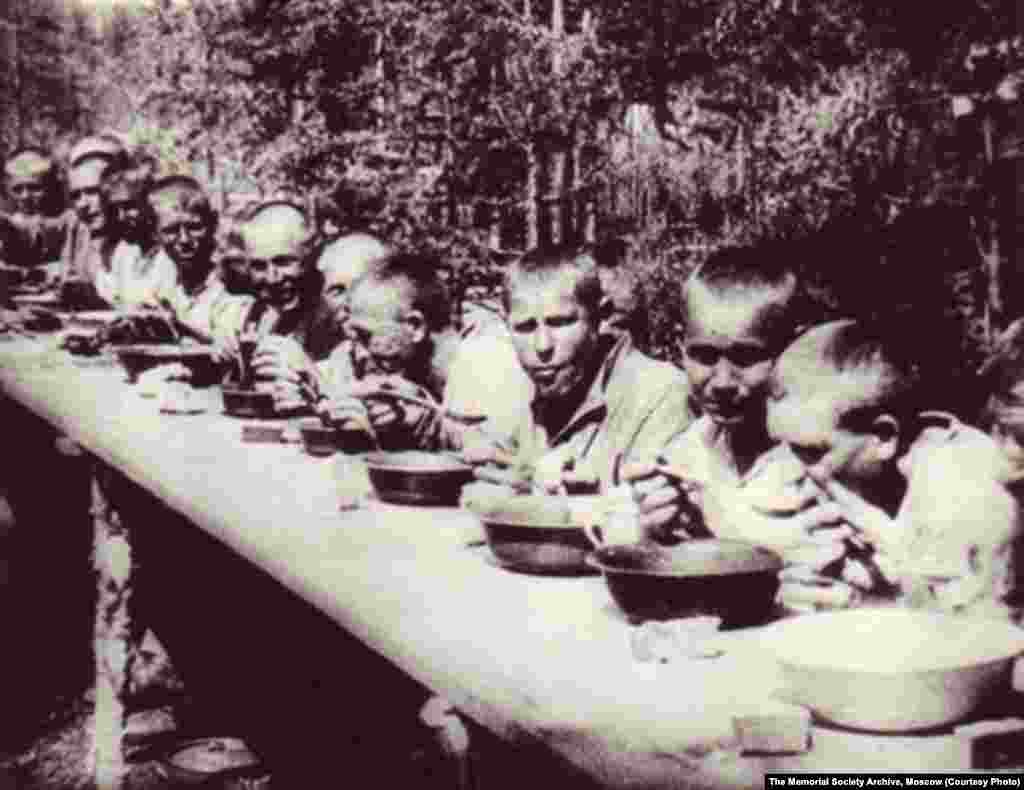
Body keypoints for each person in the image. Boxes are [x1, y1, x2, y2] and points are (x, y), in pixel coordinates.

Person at [757, 319, 1022, 618]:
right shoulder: (827, 469)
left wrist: (868, 605)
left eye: (811, 451)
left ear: (884, 437)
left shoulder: (962, 484)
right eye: (785, 446)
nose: (794, 467)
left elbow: (984, 638)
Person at [621, 244, 832, 539]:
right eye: (703, 356)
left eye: (746, 358)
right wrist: (650, 530)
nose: (722, 383)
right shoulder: (686, 453)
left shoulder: (826, 463)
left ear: (795, 348)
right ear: (681, 348)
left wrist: (718, 524)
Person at [455, 245, 693, 494]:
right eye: (524, 328)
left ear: (601, 317)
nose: (542, 346)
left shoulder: (659, 393)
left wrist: (535, 494)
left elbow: (656, 513)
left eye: (560, 323)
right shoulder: (531, 389)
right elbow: (483, 444)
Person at [255, 250, 462, 448]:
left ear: (415, 327)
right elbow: (330, 379)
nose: (360, 353)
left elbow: (486, 445)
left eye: (366, 336)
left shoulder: (467, 365)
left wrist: (435, 426)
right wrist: (307, 386)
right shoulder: (358, 352)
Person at [2, 148, 66, 274]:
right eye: (17, 189)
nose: (25, 196)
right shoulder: (6, 224)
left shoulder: (67, 222)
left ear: (50, 187)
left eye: (34, 188)